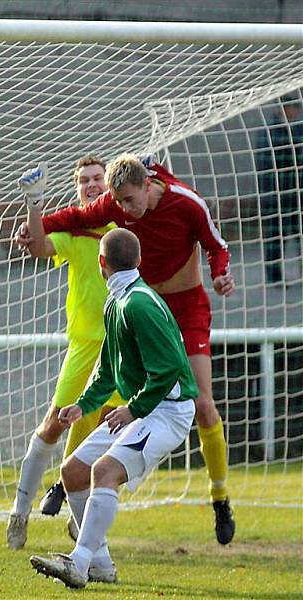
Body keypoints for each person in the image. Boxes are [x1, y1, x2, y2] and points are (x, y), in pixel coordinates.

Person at [40, 153, 237, 544]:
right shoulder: (117, 201)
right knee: (114, 399)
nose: (125, 211)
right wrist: (34, 228)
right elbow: (74, 218)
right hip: (145, 310)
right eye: (121, 204)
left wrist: (219, 274)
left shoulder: (187, 202)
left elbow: (217, 246)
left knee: (202, 404)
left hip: (186, 309)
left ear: (148, 184)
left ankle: (219, 497)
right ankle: (76, 481)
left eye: (130, 202)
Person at [30, 228, 198, 589]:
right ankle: (101, 564)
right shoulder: (116, 301)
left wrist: (133, 409)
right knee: (73, 470)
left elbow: (169, 369)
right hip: (143, 409)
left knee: (103, 471)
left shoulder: (139, 303)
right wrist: (84, 405)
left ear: (101, 263)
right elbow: (108, 368)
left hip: (168, 411)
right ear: (138, 260)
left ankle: (78, 562)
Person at [7, 156, 125, 550]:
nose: (91, 185)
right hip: (84, 347)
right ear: (77, 189)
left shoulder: (124, 227)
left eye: (97, 179)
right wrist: (35, 203)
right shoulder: (75, 231)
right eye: (84, 181)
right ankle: (19, 512)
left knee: (112, 431)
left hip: (121, 348)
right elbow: (40, 247)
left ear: (109, 186)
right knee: (55, 423)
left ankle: (77, 515)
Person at [254, 92, 303, 284]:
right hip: (276, 195)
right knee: (276, 238)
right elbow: (269, 161)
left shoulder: (298, 129)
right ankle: (274, 278)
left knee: (299, 235)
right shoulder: (271, 131)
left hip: (296, 194)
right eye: (291, 107)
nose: (294, 111)